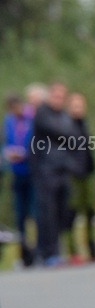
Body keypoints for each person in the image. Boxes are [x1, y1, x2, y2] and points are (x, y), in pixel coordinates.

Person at [30, 81, 76, 267]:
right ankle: (47, 252)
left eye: (62, 97)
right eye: (56, 96)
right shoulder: (43, 114)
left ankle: (54, 250)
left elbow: (73, 136)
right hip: (46, 171)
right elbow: (64, 132)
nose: (59, 100)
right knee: (47, 213)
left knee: (61, 212)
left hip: (62, 170)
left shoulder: (63, 115)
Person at [64, 92, 95, 263]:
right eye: (75, 106)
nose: (78, 109)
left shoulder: (83, 123)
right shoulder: (65, 125)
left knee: (90, 211)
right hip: (73, 175)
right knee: (72, 213)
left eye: (81, 105)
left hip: (86, 173)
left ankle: (93, 250)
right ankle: (72, 251)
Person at [3, 94, 35, 266]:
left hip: (32, 172)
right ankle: (24, 254)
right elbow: (6, 142)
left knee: (35, 214)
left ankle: (37, 251)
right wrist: (8, 153)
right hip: (18, 172)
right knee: (20, 215)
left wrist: (27, 153)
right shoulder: (9, 121)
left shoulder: (31, 117)